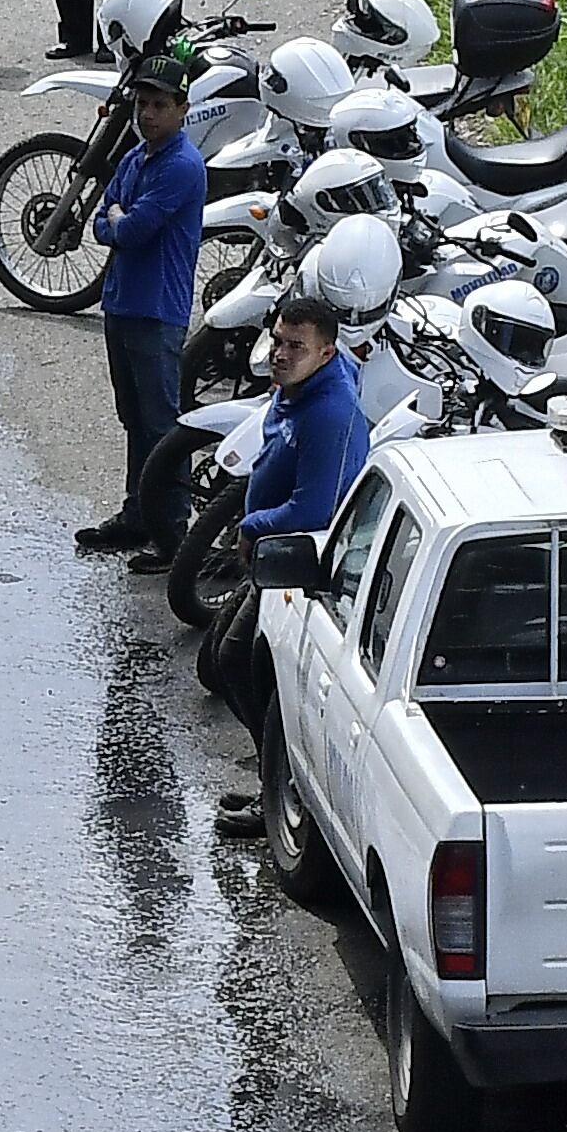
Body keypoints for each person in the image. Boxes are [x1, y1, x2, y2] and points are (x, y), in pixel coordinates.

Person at [210, 288, 367, 839]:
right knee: (230, 661)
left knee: (242, 663)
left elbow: (314, 508)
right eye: (277, 340)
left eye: (295, 346)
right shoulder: (294, 389)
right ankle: (272, 772)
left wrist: (252, 526)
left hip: (298, 562)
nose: (279, 353)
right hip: (271, 554)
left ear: (326, 354)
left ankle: (282, 784)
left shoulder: (328, 412)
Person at [77, 49, 206, 558]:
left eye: (158, 105)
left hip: (156, 311)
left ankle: (173, 529)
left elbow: (128, 228)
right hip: (123, 305)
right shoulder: (136, 157)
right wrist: (115, 217)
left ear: (182, 107)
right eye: (141, 104)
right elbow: (101, 220)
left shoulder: (182, 167)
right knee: (135, 417)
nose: (147, 114)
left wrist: (116, 217)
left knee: (161, 424)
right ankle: (139, 513)